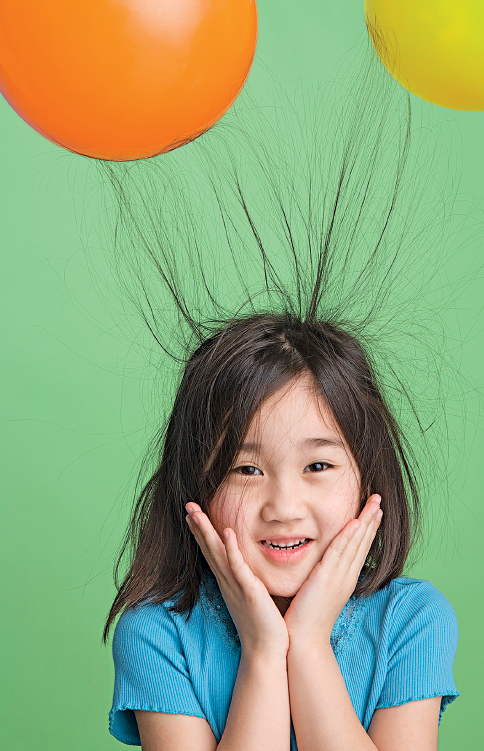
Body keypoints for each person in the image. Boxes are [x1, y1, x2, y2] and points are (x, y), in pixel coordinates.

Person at [98, 39, 461, 751]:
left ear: (370, 481)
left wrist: (312, 643)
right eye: (245, 466)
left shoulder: (412, 619)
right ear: (195, 484)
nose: (283, 504)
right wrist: (266, 651)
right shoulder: (158, 633)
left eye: (319, 464)